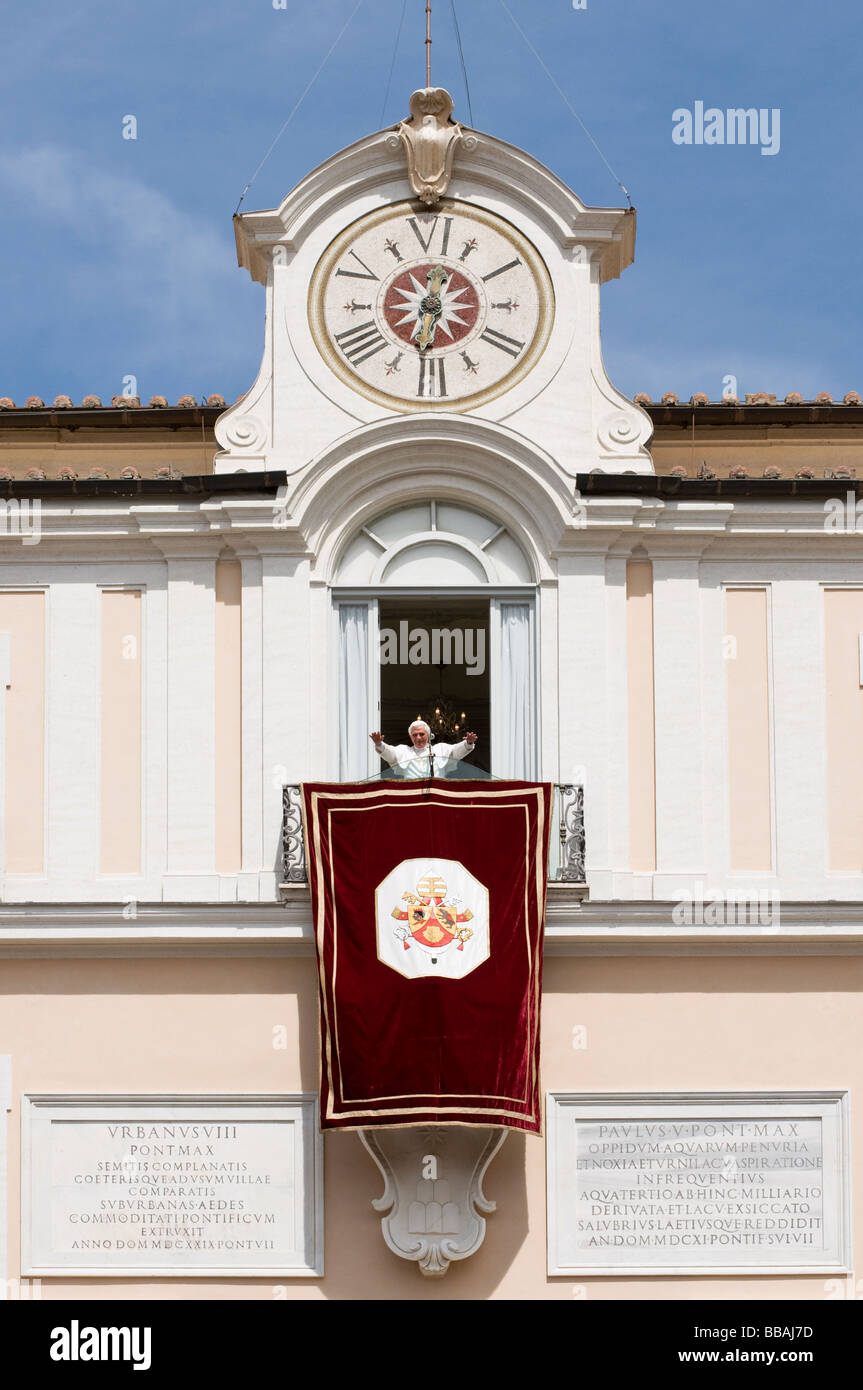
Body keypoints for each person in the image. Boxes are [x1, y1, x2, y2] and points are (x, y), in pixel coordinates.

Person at [370, 719, 477, 779]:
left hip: (437, 794)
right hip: (411, 795)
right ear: (410, 737)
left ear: (428, 734)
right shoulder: (404, 751)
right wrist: (379, 744)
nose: (418, 738)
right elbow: (390, 754)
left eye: (421, 734)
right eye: (414, 735)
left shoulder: (439, 749)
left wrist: (468, 743)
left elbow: (455, 752)